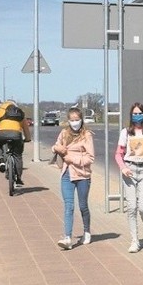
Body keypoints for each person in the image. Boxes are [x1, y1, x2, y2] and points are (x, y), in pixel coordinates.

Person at [114, 102, 143, 253]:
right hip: (130, 171)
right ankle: (135, 240)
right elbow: (118, 154)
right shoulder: (126, 132)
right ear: (131, 116)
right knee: (132, 208)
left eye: (140, 113)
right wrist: (123, 168)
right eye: (134, 113)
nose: (137, 116)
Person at [52, 107, 95, 250]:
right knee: (68, 206)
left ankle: (87, 231)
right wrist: (57, 149)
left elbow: (90, 157)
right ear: (68, 121)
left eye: (77, 120)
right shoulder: (64, 133)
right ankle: (68, 237)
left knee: (83, 206)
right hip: (67, 174)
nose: (75, 122)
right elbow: (56, 146)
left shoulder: (87, 135)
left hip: (82, 175)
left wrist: (73, 158)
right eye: (72, 120)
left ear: (81, 120)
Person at [0, 99, 31, 184]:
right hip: (16, 135)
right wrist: (27, 139)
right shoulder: (20, 112)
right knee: (18, 156)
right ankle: (19, 179)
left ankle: (1, 160)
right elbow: (26, 128)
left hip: (2, 133)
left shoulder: (0, 111)